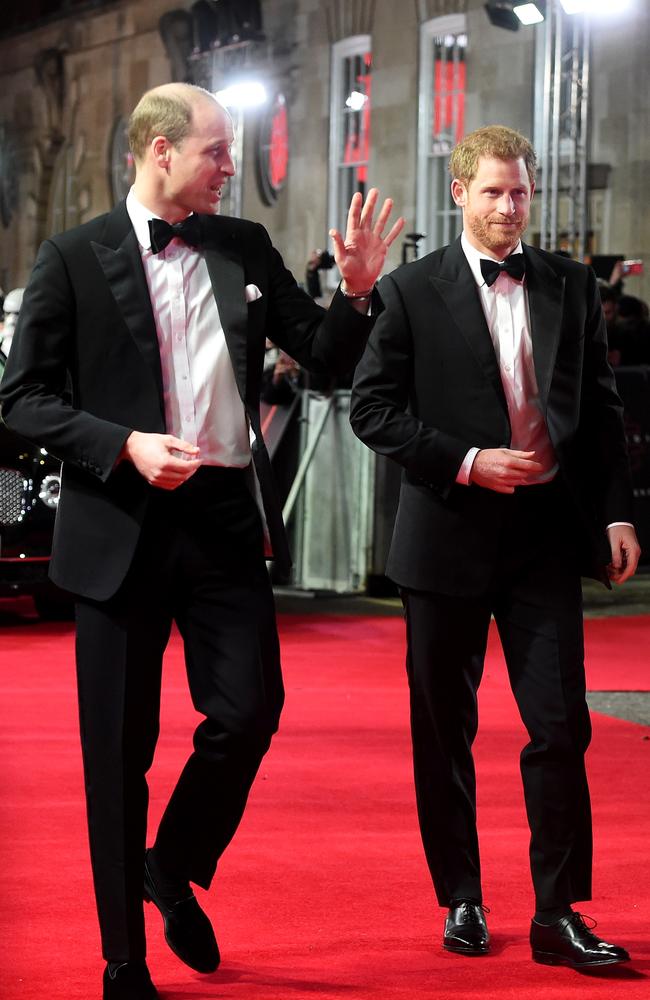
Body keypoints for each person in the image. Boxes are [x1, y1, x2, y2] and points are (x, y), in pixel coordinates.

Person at [0, 82, 403, 1000]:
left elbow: (329, 358)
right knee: (119, 751)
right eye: (218, 151)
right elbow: (22, 398)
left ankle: (171, 862)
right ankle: (123, 962)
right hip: (121, 526)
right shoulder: (71, 258)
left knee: (251, 712)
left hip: (224, 520)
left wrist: (358, 292)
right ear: (158, 151)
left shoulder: (243, 245)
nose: (232, 166)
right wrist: (123, 445)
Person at [350, 125, 640, 970]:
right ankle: (463, 898)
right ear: (460, 194)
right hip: (444, 541)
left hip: (545, 543)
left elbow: (605, 418)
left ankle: (558, 912)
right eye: (493, 193)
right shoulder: (409, 291)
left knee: (561, 728)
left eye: (521, 193)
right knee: (445, 732)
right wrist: (469, 462)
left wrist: (617, 517)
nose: (510, 207)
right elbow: (373, 411)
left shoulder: (572, 287)